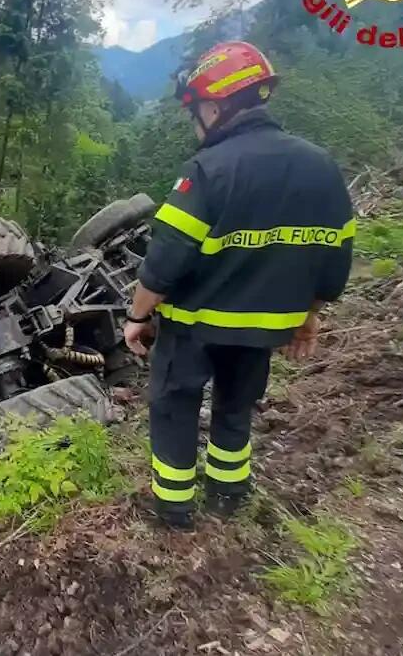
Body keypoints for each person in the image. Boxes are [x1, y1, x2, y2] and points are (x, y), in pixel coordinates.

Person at [123, 41, 354, 530]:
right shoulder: (322, 167)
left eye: (195, 114)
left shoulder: (209, 170)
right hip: (262, 330)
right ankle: (229, 499)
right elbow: (333, 263)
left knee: (174, 409)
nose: (196, 125)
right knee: (234, 409)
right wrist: (307, 317)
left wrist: (137, 317)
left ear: (213, 105)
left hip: (193, 328)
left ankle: (174, 512)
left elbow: (162, 263)